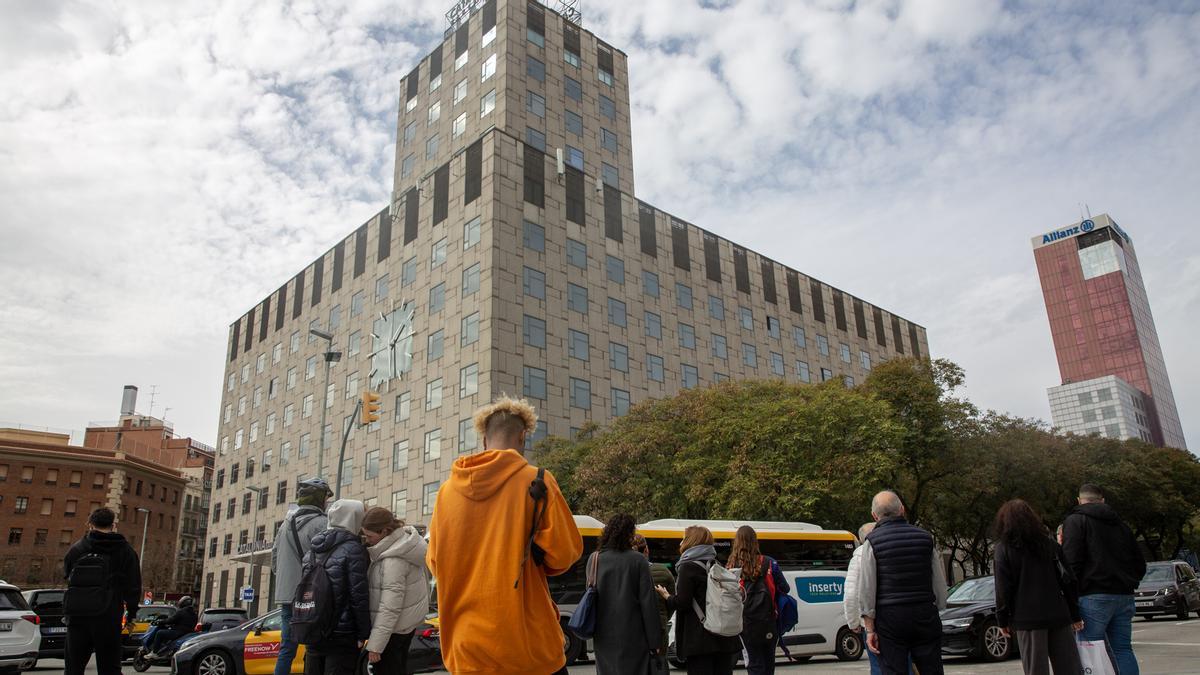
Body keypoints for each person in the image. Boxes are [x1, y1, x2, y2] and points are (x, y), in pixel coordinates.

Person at [426, 397, 583, 674]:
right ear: (523, 437)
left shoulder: (446, 492)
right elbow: (564, 555)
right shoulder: (538, 481)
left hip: (467, 648)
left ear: (484, 439)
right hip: (527, 647)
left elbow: (435, 563)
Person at [859, 491, 948, 675]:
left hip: (890, 618)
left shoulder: (872, 542)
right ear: (902, 509)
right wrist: (937, 607)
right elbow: (939, 582)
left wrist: (869, 629)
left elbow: (867, 588)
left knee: (893, 669)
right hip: (924, 612)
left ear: (874, 516)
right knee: (931, 669)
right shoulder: (925, 539)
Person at [1061, 483, 1146, 675]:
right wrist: (1129, 582)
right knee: (1123, 649)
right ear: (1103, 500)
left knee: (1089, 649)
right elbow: (1139, 563)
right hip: (1123, 595)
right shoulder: (1121, 526)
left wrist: (1072, 595)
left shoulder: (1075, 521)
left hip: (1092, 595)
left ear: (1079, 500)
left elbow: (1071, 563)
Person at [992, 499, 1083, 675]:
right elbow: (1068, 580)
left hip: (1027, 618)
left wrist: (1002, 620)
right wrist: (1075, 614)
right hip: (1058, 614)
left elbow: (1003, 589)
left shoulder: (1003, 549)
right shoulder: (1050, 545)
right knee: (1070, 668)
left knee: (1036, 669)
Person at [62, 506, 142, 675]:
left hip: (77, 615)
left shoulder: (77, 548)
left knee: (74, 667)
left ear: (90, 524)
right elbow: (133, 585)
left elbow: (66, 574)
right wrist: (132, 612)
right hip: (108, 613)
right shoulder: (125, 551)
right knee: (109, 666)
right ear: (113, 525)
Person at [655, 525, 742, 675]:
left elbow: (683, 602)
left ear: (691, 541)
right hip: (722, 635)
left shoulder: (688, 567)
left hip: (700, 640)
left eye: (683, 538)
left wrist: (667, 596)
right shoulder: (716, 564)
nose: (681, 542)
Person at [270, 477, 333, 675]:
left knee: (287, 649)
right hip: (312, 596)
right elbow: (328, 561)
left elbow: (274, 560)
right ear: (320, 499)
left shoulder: (284, 526)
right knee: (315, 647)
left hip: (287, 596)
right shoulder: (322, 524)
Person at [302, 499, 371, 675]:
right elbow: (358, 596)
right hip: (342, 633)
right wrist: (363, 632)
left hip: (313, 627)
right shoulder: (354, 549)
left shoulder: (312, 551)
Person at [361, 506, 430, 674]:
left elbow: (390, 607)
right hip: (405, 626)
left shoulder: (393, 560)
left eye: (370, 536)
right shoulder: (407, 545)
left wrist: (376, 645)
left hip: (393, 631)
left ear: (384, 531)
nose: (367, 540)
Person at [591, 514, 661, 675]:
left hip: (603, 636)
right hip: (633, 635)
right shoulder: (638, 560)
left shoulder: (594, 559)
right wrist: (654, 640)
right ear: (629, 534)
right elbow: (648, 603)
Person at [727, 525, 790, 675]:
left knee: (754, 663)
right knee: (769, 662)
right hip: (768, 621)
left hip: (745, 623)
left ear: (737, 542)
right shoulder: (769, 562)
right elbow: (785, 588)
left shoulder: (732, 565)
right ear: (755, 541)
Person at [634, 533, 675, 673]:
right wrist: (664, 616)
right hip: (659, 627)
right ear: (647, 550)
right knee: (659, 665)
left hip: (634, 631)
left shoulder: (627, 572)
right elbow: (671, 601)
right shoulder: (663, 572)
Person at [844, 523, 881, 675]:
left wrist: (853, 622)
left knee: (878, 665)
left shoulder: (859, 554)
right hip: (901, 616)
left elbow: (851, 593)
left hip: (871, 621)